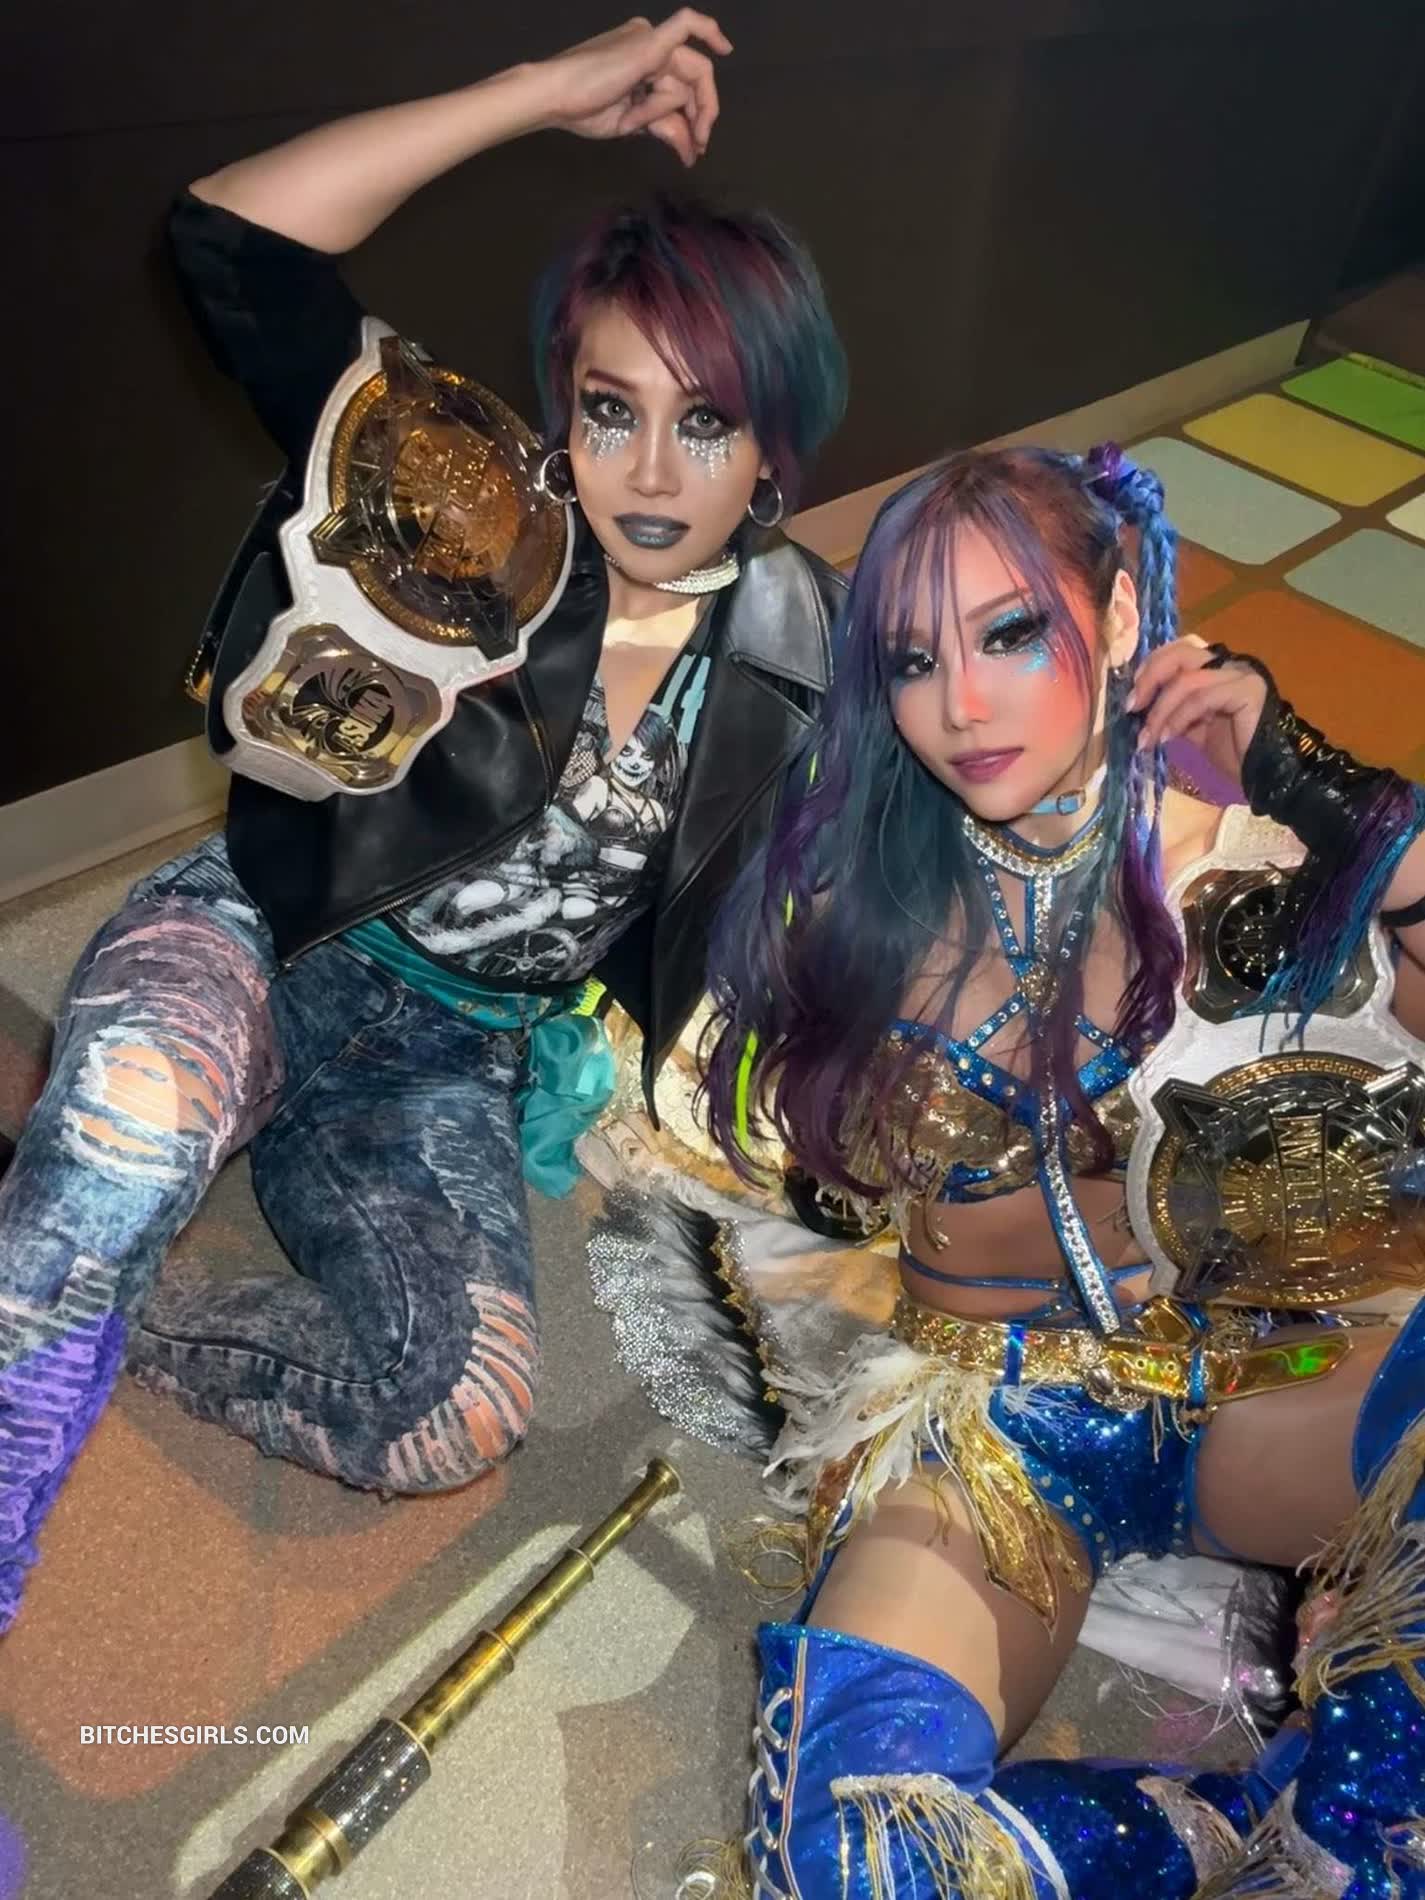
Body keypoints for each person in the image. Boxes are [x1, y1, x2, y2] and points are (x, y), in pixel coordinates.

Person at [0, 13, 849, 1634]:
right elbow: (234, 241)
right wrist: (536, 93)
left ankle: (111, 1291)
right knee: (129, 1126)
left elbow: (978, 804)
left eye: (706, 420)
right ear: (560, 410)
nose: (649, 469)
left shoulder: (807, 647)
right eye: (609, 408)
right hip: (274, 930)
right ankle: (63, 1291)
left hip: (445, 1062)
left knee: (450, 1413)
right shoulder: (481, 516)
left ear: (773, 443)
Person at [691, 445, 1425, 1896]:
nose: (961, 704)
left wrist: (1339, 800)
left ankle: (1343, 1817)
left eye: (1011, 632)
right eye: (915, 659)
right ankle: (1235, 1822)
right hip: (1005, 1426)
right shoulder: (853, 910)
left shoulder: (1262, 876)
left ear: (1123, 614)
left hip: (1268, 1384)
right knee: (851, 1859)